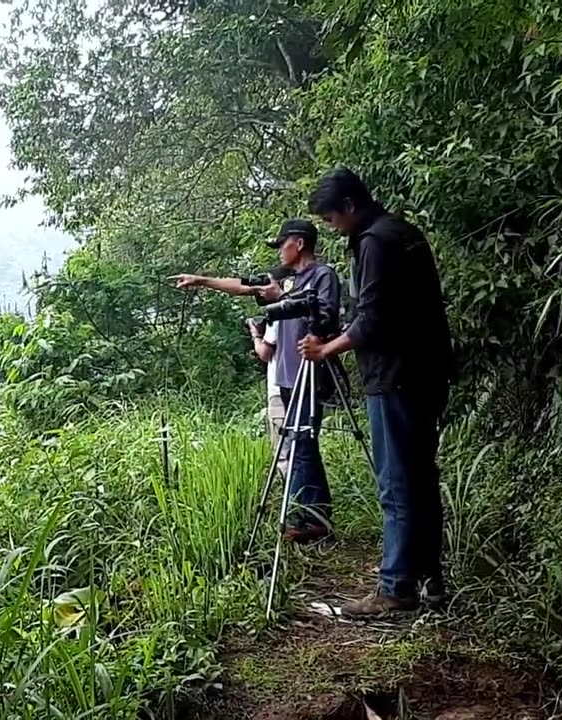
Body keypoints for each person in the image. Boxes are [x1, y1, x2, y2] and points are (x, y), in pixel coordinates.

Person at [297, 168, 454, 617]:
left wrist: (327, 347)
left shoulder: (374, 242)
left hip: (395, 376)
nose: (330, 227)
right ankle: (430, 580)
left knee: (397, 483)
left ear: (348, 206)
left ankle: (395, 588)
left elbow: (372, 319)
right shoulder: (405, 232)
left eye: (330, 218)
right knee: (421, 477)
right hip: (427, 372)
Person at [172, 219, 342, 543]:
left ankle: (305, 520)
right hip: (288, 376)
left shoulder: (323, 276)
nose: (279, 251)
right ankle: (318, 516)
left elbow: (327, 320)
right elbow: (242, 284)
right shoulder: (282, 277)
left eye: (282, 244)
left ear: (299, 243)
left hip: (312, 370)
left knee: (301, 444)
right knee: (303, 444)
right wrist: (203, 280)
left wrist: (281, 298)